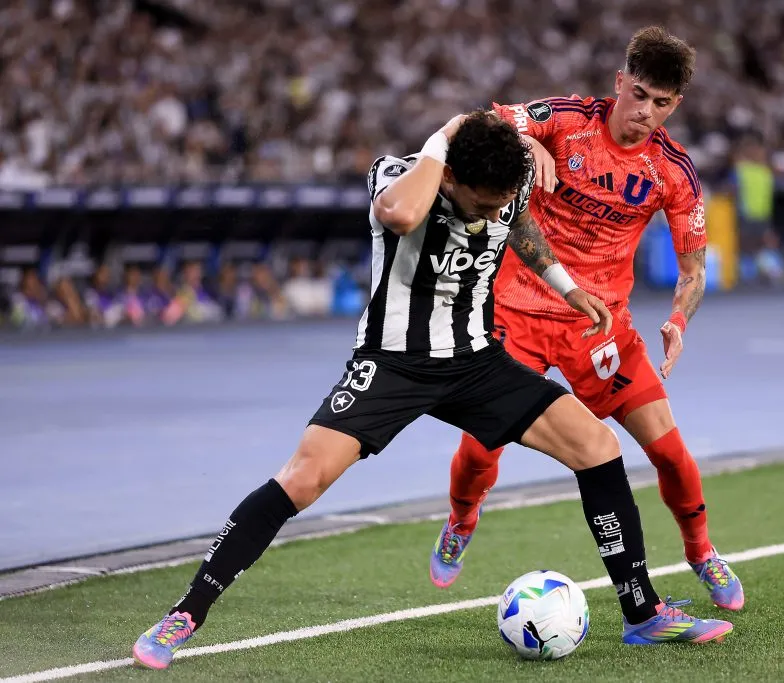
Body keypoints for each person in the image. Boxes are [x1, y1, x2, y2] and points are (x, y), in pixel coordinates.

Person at [132, 111, 733, 671]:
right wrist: (442, 141)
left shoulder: (504, 188)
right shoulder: (398, 177)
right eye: (479, 203)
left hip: (476, 362)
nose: (488, 215)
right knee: (302, 479)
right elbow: (399, 216)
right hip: (393, 365)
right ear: (449, 175)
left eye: (498, 203)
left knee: (598, 447)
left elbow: (520, 226)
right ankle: (186, 614)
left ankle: (642, 613)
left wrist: (566, 286)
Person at [429, 26, 745, 612]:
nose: (644, 112)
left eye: (661, 103)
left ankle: (701, 550)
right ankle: (461, 520)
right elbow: (484, 123)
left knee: (670, 452)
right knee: (480, 449)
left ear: (675, 105)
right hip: (517, 312)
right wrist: (529, 144)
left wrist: (679, 320)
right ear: (620, 82)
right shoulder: (568, 119)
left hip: (600, 326)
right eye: (639, 94)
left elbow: (693, 270)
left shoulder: (673, 171)